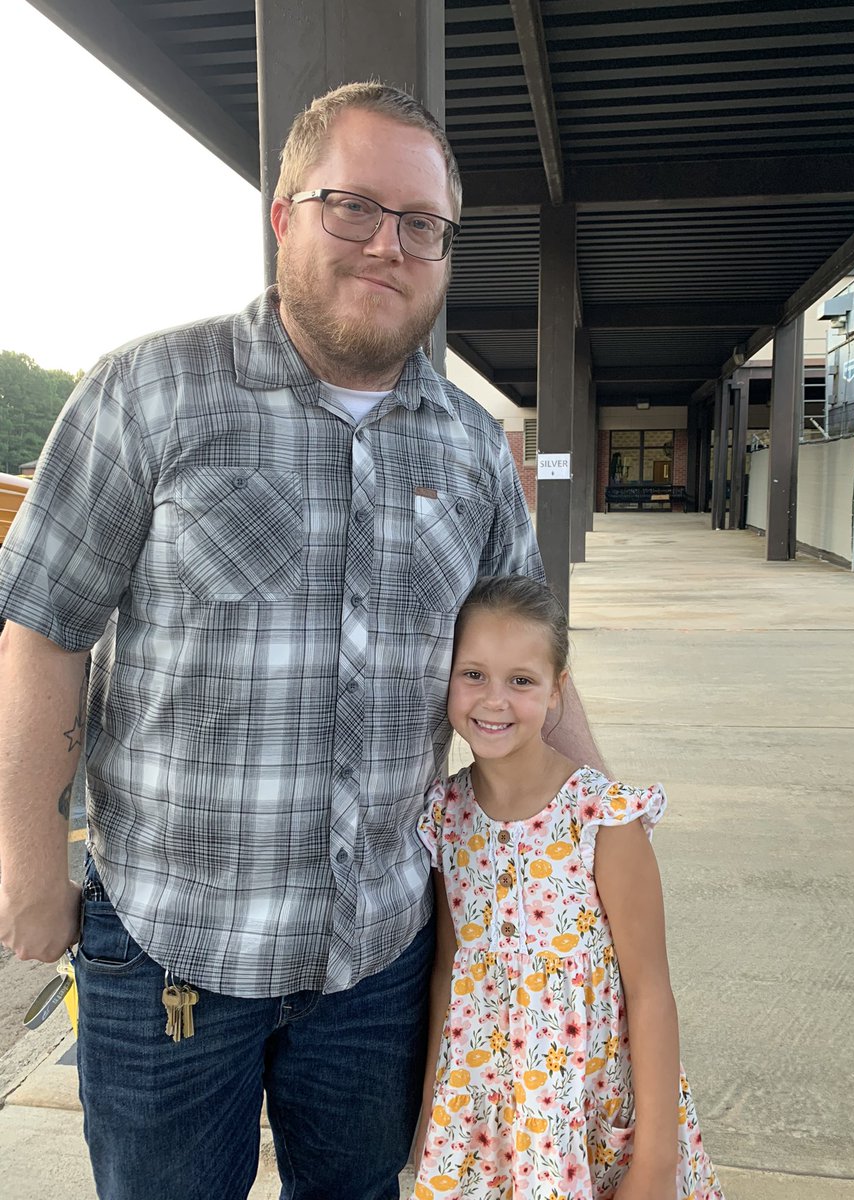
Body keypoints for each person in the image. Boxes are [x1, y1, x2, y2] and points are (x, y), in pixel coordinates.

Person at [0, 84, 605, 1199]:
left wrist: (603, 837)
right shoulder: (148, 396)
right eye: (354, 208)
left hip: (381, 958)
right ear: (284, 216)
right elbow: (46, 631)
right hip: (169, 954)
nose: (389, 245)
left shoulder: (474, 450)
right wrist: (32, 860)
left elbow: (528, 672)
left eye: (422, 224)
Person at [414, 576, 724, 1200]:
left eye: (521, 680)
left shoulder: (603, 818)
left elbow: (651, 991)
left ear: (558, 690)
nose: (494, 700)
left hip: (593, 1111)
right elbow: (449, 973)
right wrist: (429, 1113)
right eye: (472, 674)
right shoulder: (445, 817)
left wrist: (656, 1164)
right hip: (484, 1119)